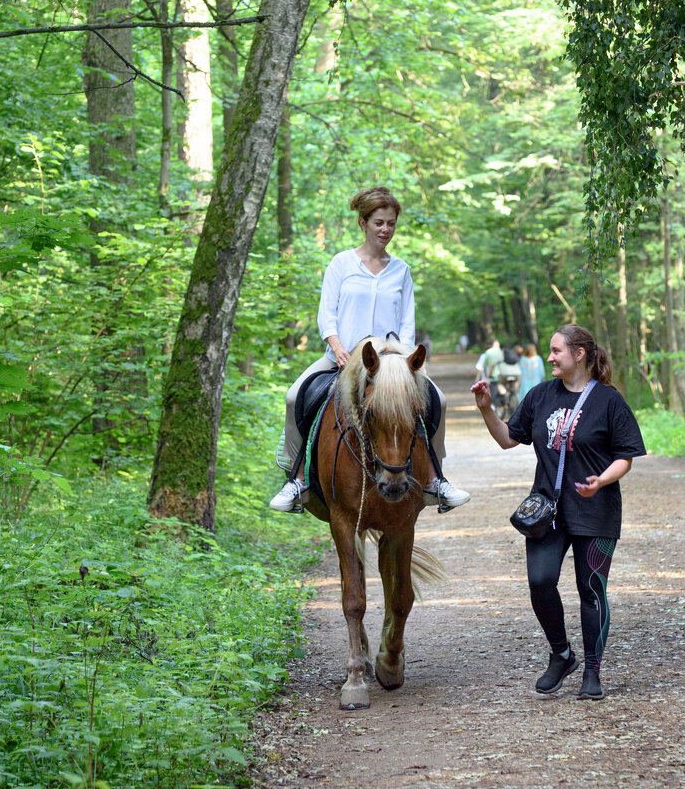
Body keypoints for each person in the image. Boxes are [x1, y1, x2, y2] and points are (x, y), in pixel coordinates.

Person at [470, 324, 646, 700]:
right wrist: (486, 410)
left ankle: (593, 673)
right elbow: (506, 439)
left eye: (556, 351)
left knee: (591, 590)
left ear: (578, 354)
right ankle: (562, 654)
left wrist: (600, 480)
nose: (549, 357)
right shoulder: (540, 395)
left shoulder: (609, 401)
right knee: (540, 581)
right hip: (547, 511)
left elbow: (626, 456)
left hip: (596, 511)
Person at [270, 187, 470, 512]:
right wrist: (335, 346)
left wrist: (405, 362)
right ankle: (297, 480)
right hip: (342, 358)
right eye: (378, 222)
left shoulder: (401, 270)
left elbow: (407, 323)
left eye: (391, 223)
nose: (385, 230)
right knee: (294, 396)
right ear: (362, 222)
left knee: (439, 400)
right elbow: (327, 315)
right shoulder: (340, 264)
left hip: (390, 366)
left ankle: (435, 479)